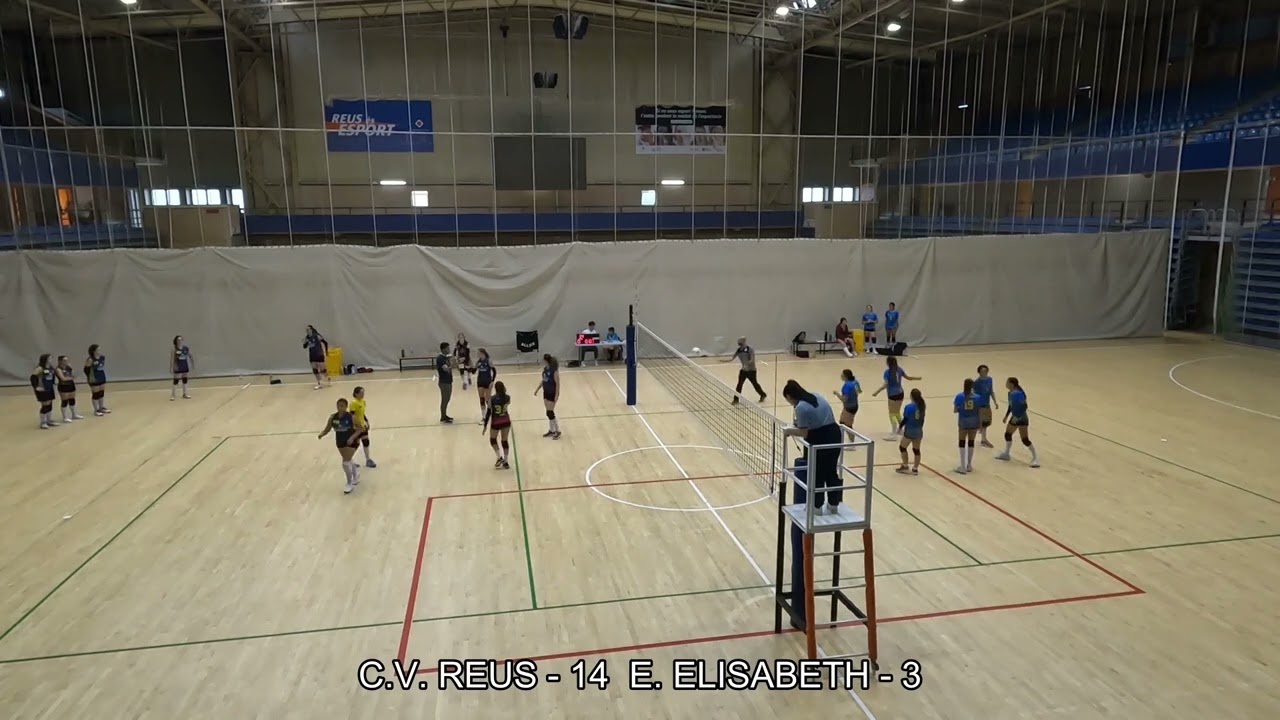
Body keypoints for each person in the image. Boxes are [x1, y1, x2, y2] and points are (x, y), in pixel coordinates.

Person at [782, 380, 844, 515]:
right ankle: (834, 505)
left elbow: (803, 432)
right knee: (831, 471)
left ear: (790, 396)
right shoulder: (816, 395)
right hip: (835, 433)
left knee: (818, 474)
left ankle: (816, 507)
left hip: (820, 438)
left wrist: (788, 432)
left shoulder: (801, 407)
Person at [318, 397, 367, 494]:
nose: (340, 408)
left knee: (345, 462)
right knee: (348, 459)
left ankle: (349, 483)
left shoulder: (351, 417)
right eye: (338, 406)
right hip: (340, 441)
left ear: (346, 407)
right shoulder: (333, 418)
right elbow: (327, 428)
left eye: (342, 406)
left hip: (351, 441)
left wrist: (352, 438)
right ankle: (356, 475)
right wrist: (322, 434)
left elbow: (360, 429)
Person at [870, 356, 922, 440]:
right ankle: (900, 430)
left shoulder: (887, 372)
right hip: (900, 393)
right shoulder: (900, 369)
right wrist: (917, 378)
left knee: (891, 413)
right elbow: (908, 378)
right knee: (897, 412)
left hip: (892, 394)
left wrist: (877, 392)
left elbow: (885, 384)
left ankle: (893, 434)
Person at [994, 377, 1040, 468]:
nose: (1006, 384)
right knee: (1008, 434)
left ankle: (1035, 458)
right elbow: (1011, 406)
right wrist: (1006, 416)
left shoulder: (1018, 394)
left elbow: (1024, 406)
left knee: (1025, 439)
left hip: (1021, 418)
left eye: (1007, 382)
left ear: (1012, 384)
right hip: (1015, 417)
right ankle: (1006, 454)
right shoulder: (1010, 393)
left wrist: (1018, 417)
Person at [723, 336, 767, 405]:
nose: (738, 342)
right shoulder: (739, 350)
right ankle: (736, 399)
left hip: (751, 371)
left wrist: (747, 364)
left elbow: (752, 359)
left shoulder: (750, 349)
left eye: (740, 341)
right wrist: (727, 360)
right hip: (743, 371)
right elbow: (733, 357)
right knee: (739, 384)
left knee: (755, 384)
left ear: (743, 341)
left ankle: (763, 394)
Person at [895, 389, 927, 475]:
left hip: (910, 431)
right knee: (916, 450)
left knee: (902, 447)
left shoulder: (909, 407)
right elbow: (922, 419)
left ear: (911, 396)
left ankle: (905, 466)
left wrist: (900, 428)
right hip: (919, 431)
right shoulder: (922, 406)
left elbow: (905, 419)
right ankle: (915, 468)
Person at [483, 380, 513, 469]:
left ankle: (499, 456)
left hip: (496, 421)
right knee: (504, 441)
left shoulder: (492, 399)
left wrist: (485, 426)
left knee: (493, 440)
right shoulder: (508, 397)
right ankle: (506, 461)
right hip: (506, 421)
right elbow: (507, 404)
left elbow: (488, 412)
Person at [953, 378, 981, 474]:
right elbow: (979, 411)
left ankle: (962, 465)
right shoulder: (977, 397)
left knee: (961, 442)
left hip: (963, 421)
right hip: (974, 421)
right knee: (971, 442)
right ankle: (969, 465)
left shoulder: (959, 396)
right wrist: (980, 424)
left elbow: (955, 410)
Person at [535, 354, 562, 439]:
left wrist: (557, 395)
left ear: (546, 360)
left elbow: (557, 384)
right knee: (548, 412)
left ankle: (557, 431)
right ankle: (551, 430)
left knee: (550, 412)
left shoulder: (554, 371)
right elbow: (544, 380)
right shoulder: (545, 369)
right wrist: (537, 389)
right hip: (545, 392)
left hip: (552, 393)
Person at [349, 385, 376, 468]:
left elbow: (362, 413)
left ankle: (368, 459)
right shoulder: (353, 402)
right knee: (355, 445)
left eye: (363, 392)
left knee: (366, 441)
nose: (363, 394)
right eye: (361, 393)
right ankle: (349, 460)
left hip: (362, 425)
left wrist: (366, 421)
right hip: (356, 427)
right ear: (356, 394)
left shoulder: (363, 402)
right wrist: (356, 425)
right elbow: (352, 415)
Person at [974, 364, 999, 448]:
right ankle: (983, 439)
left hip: (987, 404)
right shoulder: (976, 382)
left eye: (985, 371)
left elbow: (991, 391)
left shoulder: (990, 379)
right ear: (979, 372)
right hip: (980, 405)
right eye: (982, 371)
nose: (984, 373)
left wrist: (995, 402)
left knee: (986, 423)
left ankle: (983, 439)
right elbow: (974, 395)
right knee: (982, 424)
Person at [31, 354, 59, 429]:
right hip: (42, 388)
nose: (51, 359)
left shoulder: (51, 368)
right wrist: (36, 387)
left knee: (50, 404)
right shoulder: (39, 368)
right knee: (45, 405)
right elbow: (33, 378)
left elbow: (52, 376)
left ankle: (49, 420)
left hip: (49, 388)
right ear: (45, 359)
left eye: (51, 358)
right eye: (49, 358)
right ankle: (43, 422)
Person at [54, 355, 84, 423]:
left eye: (67, 360)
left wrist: (74, 374)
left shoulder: (68, 367)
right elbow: (63, 378)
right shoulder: (58, 369)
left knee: (72, 399)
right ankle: (65, 417)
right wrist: (72, 378)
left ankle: (74, 414)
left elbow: (72, 374)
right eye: (64, 360)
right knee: (64, 401)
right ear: (60, 361)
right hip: (63, 386)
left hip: (71, 385)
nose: (66, 362)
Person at [84, 344, 110, 416]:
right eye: (98, 350)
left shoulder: (102, 357)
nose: (99, 351)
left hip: (101, 376)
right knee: (96, 394)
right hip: (94, 378)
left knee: (101, 393)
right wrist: (90, 378)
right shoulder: (90, 359)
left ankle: (101, 407)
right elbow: (86, 370)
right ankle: (96, 410)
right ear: (93, 351)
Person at [303, 325, 330, 390]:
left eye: (309, 329)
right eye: (306, 330)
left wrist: (326, 352)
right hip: (312, 355)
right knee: (315, 370)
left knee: (322, 370)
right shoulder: (307, 338)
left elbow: (325, 343)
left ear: (312, 330)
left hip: (319, 354)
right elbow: (304, 346)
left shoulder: (317, 336)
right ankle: (319, 383)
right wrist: (305, 342)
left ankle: (327, 378)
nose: (307, 331)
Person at [475, 348, 497, 419]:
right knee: (481, 399)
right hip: (480, 381)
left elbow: (494, 371)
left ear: (482, 353)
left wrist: (492, 381)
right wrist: (469, 367)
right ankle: (483, 416)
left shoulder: (488, 361)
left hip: (487, 381)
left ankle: (492, 412)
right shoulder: (478, 362)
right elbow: (473, 371)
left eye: (478, 353)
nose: (477, 354)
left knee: (488, 399)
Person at [436, 341, 454, 424]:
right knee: (445, 399)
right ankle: (443, 416)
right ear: (443, 349)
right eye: (447, 348)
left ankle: (444, 415)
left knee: (447, 399)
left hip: (448, 381)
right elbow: (446, 369)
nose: (449, 349)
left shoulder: (445, 357)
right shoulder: (440, 358)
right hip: (444, 382)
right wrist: (452, 364)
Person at [170, 335, 192, 400]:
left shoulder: (186, 348)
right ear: (176, 341)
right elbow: (172, 359)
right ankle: (173, 395)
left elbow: (189, 355)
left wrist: (191, 364)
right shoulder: (174, 349)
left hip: (184, 366)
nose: (180, 341)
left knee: (185, 379)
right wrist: (172, 367)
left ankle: (185, 394)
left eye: (181, 340)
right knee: (176, 380)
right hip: (178, 366)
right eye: (178, 340)